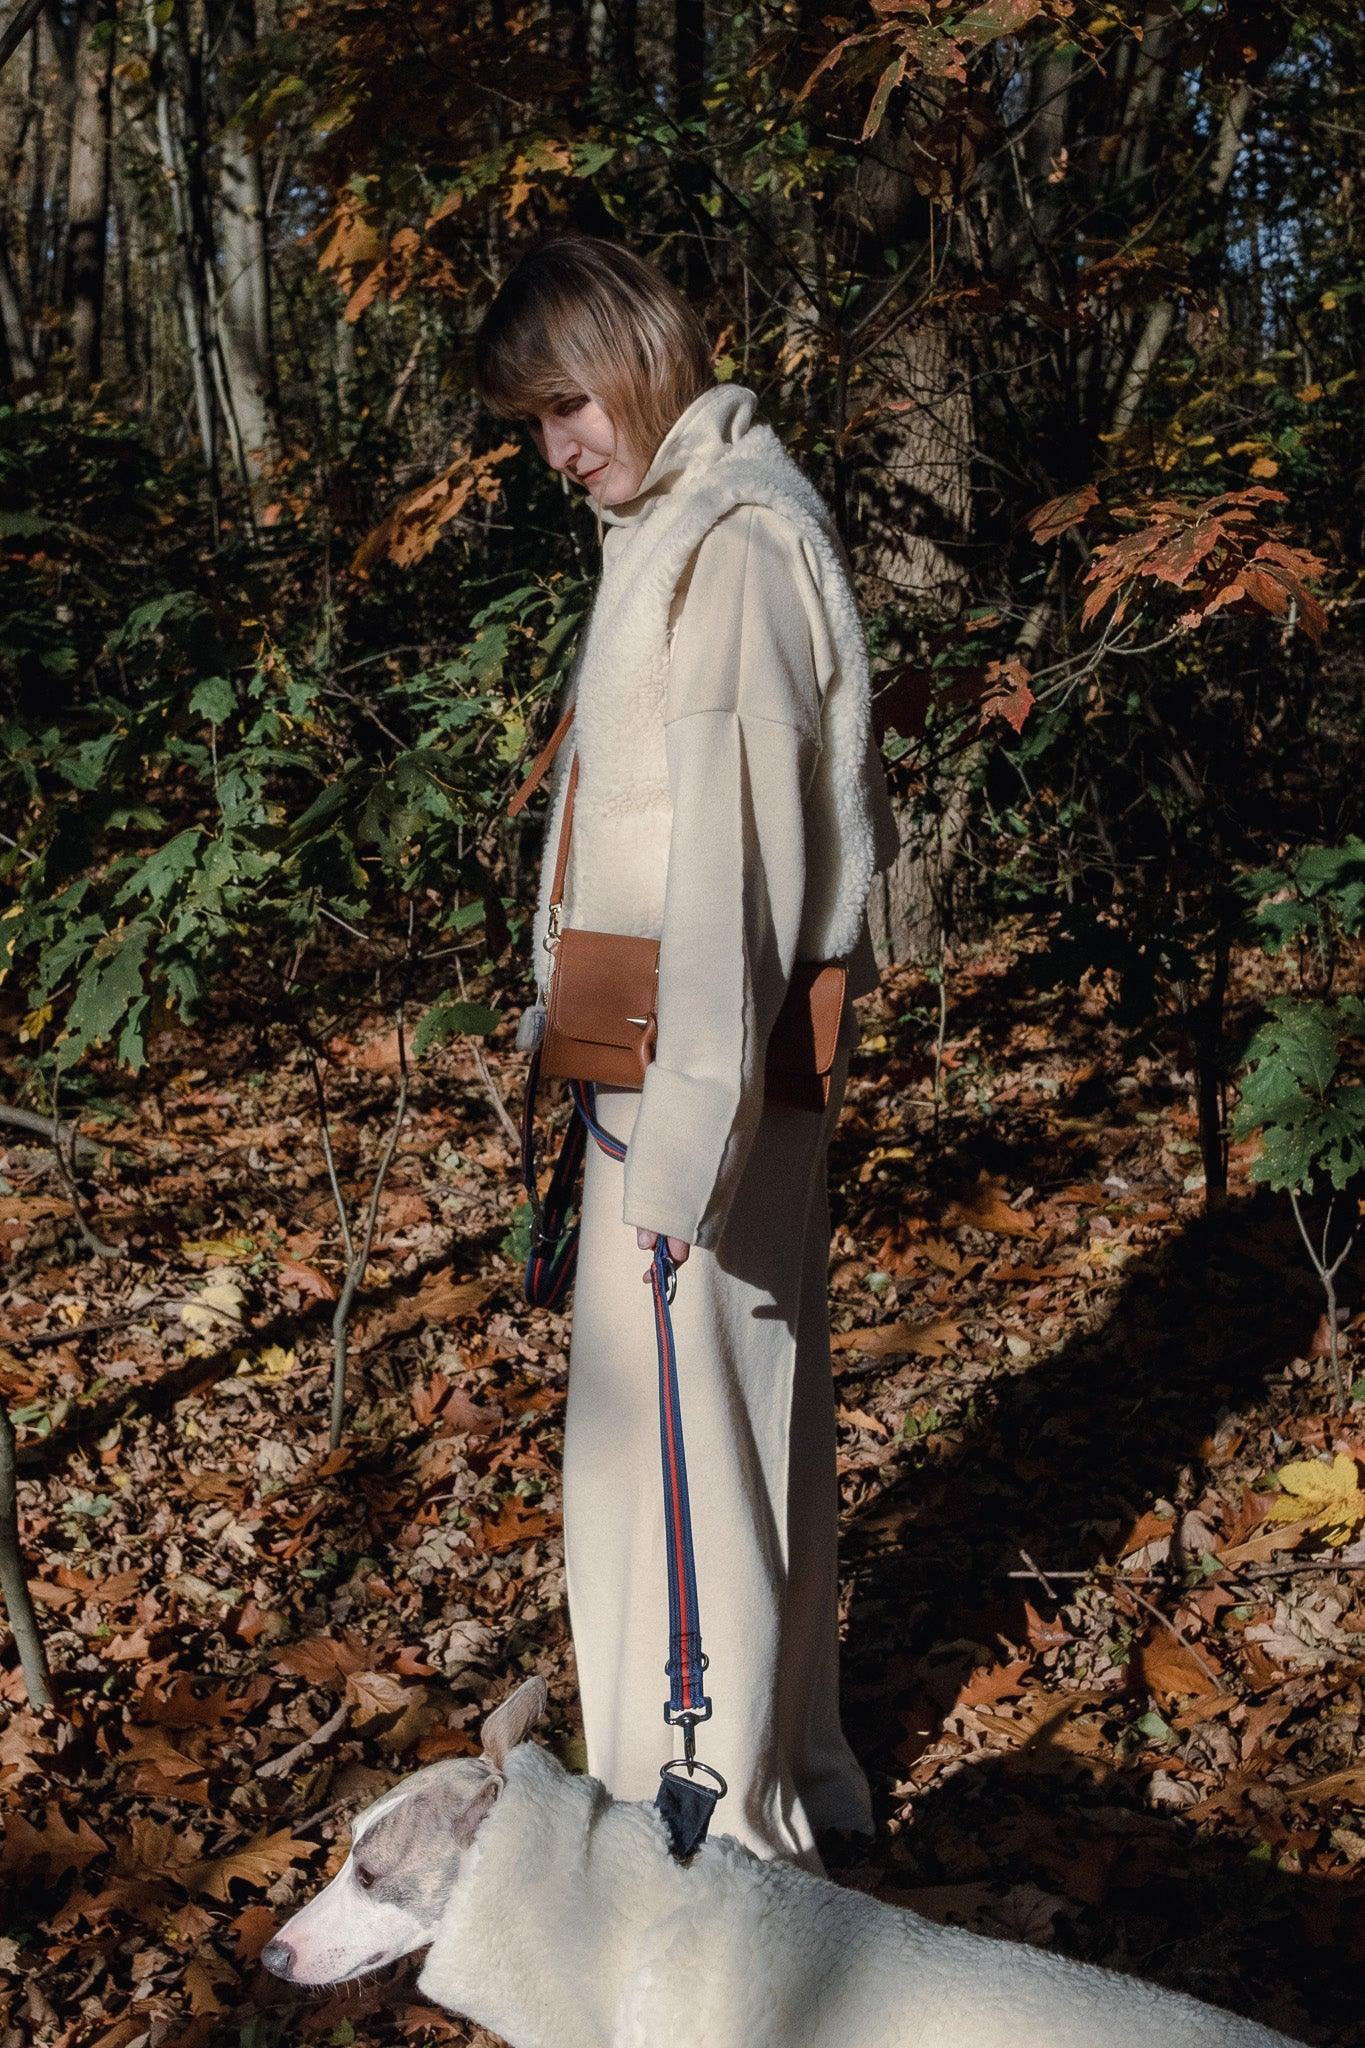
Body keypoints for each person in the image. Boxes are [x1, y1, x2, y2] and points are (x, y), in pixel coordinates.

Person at [472, 234, 901, 1874]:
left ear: (641, 355)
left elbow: (735, 873)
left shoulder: (727, 547)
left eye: (568, 403)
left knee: (687, 1450)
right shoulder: (677, 531)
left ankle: (704, 1838)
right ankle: (755, 1787)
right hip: (657, 1067)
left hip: (687, 1079)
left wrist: (682, 1149)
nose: (556, 448)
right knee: (711, 1430)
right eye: (534, 424)